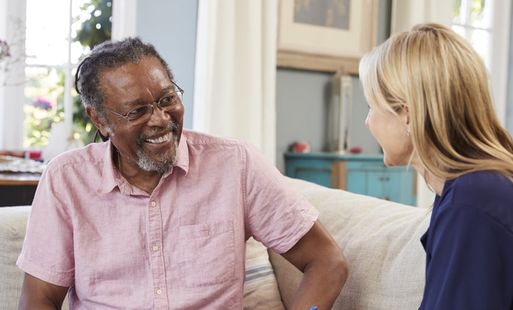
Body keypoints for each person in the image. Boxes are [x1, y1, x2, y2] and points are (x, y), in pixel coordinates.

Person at [17, 38, 348, 309]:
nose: (161, 119)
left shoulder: (236, 163)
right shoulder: (66, 180)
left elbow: (327, 263)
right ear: (100, 120)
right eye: (138, 111)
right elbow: (39, 299)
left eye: (167, 99)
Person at [359, 23, 513, 309]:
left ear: (407, 114)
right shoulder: (466, 191)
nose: (368, 122)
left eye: (372, 106)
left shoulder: (472, 202)